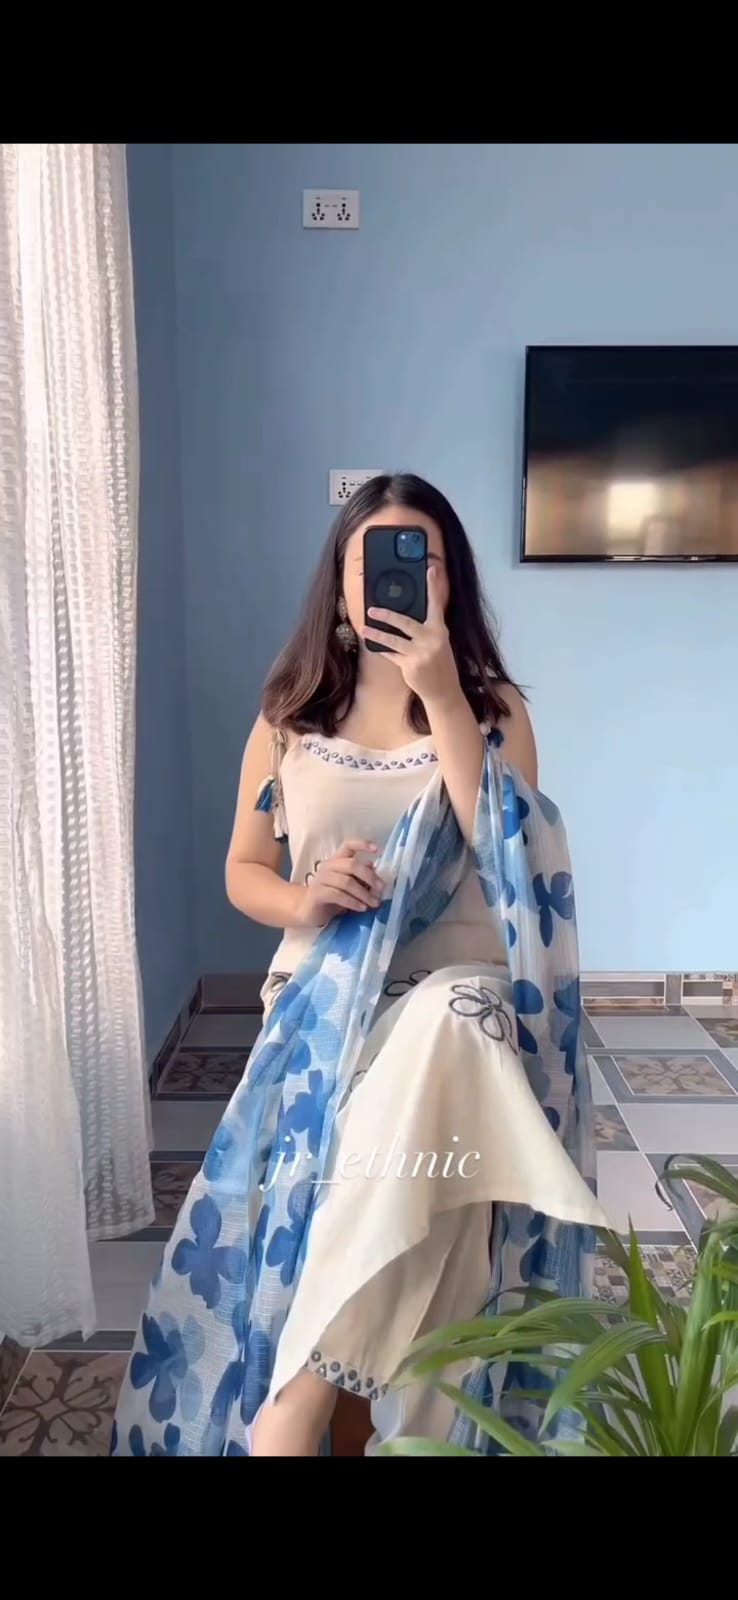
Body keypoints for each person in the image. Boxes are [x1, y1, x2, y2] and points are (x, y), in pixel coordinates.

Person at [111, 472, 606, 1459]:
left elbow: (507, 857)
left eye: (422, 556)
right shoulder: (289, 714)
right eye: (369, 557)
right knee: (441, 1181)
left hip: (459, 992)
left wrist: (442, 697)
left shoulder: (494, 709)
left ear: (450, 578)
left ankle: (295, 1403)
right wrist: (307, 900)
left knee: (458, 1024)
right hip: (324, 999)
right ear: (338, 579)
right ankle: (422, 1432)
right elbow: (244, 869)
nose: (395, 576)